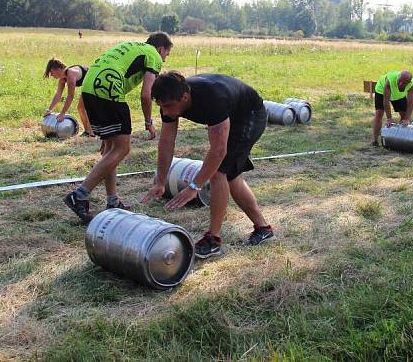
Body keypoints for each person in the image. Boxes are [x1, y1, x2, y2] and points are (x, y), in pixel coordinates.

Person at [141, 72, 274, 259]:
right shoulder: (170, 100)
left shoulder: (213, 98)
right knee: (230, 175)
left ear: (185, 97)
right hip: (230, 111)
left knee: (219, 173)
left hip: (249, 114)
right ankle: (263, 228)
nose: (167, 112)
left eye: (169, 106)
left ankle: (213, 240)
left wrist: (194, 186)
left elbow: (218, 151)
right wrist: (160, 181)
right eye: (162, 107)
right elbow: (166, 142)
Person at [63, 32, 172, 224]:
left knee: (110, 149)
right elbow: (147, 94)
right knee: (123, 148)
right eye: (166, 54)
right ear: (161, 48)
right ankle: (79, 194)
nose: (164, 59)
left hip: (89, 88)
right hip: (109, 89)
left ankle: (112, 201)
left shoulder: (132, 46)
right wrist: (149, 121)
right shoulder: (153, 55)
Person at [43, 59, 93, 137]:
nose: (52, 75)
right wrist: (49, 109)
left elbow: (70, 96)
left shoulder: (71, 74)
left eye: (51, 72)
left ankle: (91, 132)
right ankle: (88, 132)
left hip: (93, 80)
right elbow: (58, 94)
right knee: (80, 108)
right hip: (86, 84)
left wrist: (63, 113)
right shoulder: (62, 78)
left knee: (83, 107)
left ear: (57, 69)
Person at [371, 70, 413, 147]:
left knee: (404, 115)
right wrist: (389, 118)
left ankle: (401, 139)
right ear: (398, 78)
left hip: (399, 95)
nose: (400, 84)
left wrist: (407, 119)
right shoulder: (390, 81)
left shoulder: (411, 84)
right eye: (399, 81)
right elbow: (386, 101)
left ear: (408, 83)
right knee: (379, 113)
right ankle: (375, 141)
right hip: (381, 90)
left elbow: (410, 103)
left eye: (404, 83)